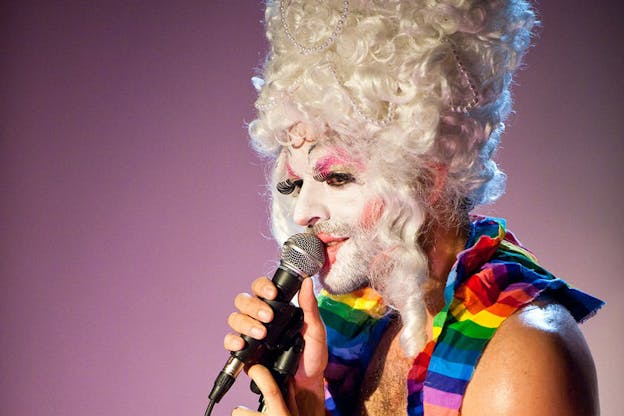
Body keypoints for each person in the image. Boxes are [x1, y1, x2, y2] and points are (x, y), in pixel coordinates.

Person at [223, 1, 604, 415]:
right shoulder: (347, 321)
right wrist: (306, 398)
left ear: (427, 176)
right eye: (295, 182)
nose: (303, 212)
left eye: (337, 178)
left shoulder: (522, 354)